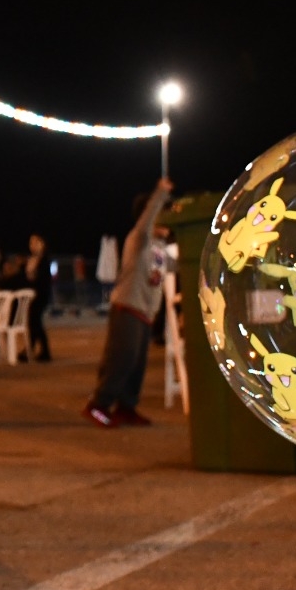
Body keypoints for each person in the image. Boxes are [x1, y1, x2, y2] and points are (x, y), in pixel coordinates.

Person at [82, 177, 173, 428]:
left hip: (145, 313)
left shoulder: (160, 248)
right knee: (122, 358)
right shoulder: (138, 239)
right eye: (163, 215)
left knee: (138, 363)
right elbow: (145, 224)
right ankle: (98, 404)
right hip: (128, 308)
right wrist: (160, 195)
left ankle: (126, 407)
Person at [25, 233, 52, 361]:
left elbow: (43, 279)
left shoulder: (43, 259)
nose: (32, 245)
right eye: (31, 242)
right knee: (33, 322)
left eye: (35, 242)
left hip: (40, 295)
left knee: (35, 322)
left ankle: (43, 351)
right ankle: (31, 349)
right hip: (33, 294)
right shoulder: (32, 259)